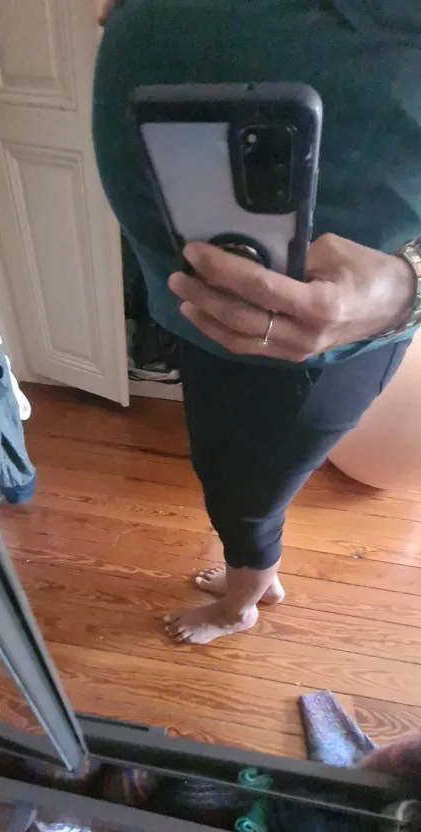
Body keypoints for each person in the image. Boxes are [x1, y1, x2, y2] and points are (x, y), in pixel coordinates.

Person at [94, 0, 421, 645]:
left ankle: (238, 604)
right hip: (203, 311)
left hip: (304, 345)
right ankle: (254, 575)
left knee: (244, 496)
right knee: (226, 465)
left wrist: (411, 282)